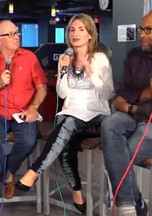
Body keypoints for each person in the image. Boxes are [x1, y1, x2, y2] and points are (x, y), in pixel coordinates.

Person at [15, 13, 114, 215]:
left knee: (65, 125)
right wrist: (61, 71)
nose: (75, 33)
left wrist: (90, 71)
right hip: (72, 117)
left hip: (97, 118)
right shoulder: (67, 58)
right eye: (71, 29)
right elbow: (62, 94)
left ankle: (34, 172)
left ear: (90, 35)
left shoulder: (100, 58)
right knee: (64, 138)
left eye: (81, 29)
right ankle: (77, 192)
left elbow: (108, 93)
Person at [0, 20, 47, 199]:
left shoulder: (30, 57)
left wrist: (34, 107)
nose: (16, 37)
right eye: (10, 34)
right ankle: (4, 176)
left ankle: (7, 170)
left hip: (23, 111)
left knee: (29, 140)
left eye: (17, 33)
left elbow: (42, 87)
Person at [100, 11, 152, 216]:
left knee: (120, 155)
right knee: (110, 123)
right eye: (142, 29)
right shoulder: (133, 56)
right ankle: (130, 204)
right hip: (133, 113)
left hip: (148, 123)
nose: (142, 34)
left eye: (148, 30)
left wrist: (132, 102)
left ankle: (133, 203)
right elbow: (122, 93)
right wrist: (143, 96)